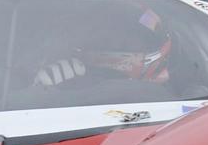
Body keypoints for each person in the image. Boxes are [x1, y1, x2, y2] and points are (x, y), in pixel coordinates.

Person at [33, 5, 173, 88]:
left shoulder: (180, 93)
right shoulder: (62, 76)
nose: (116, 43)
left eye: (125, 43)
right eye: (106, 41)